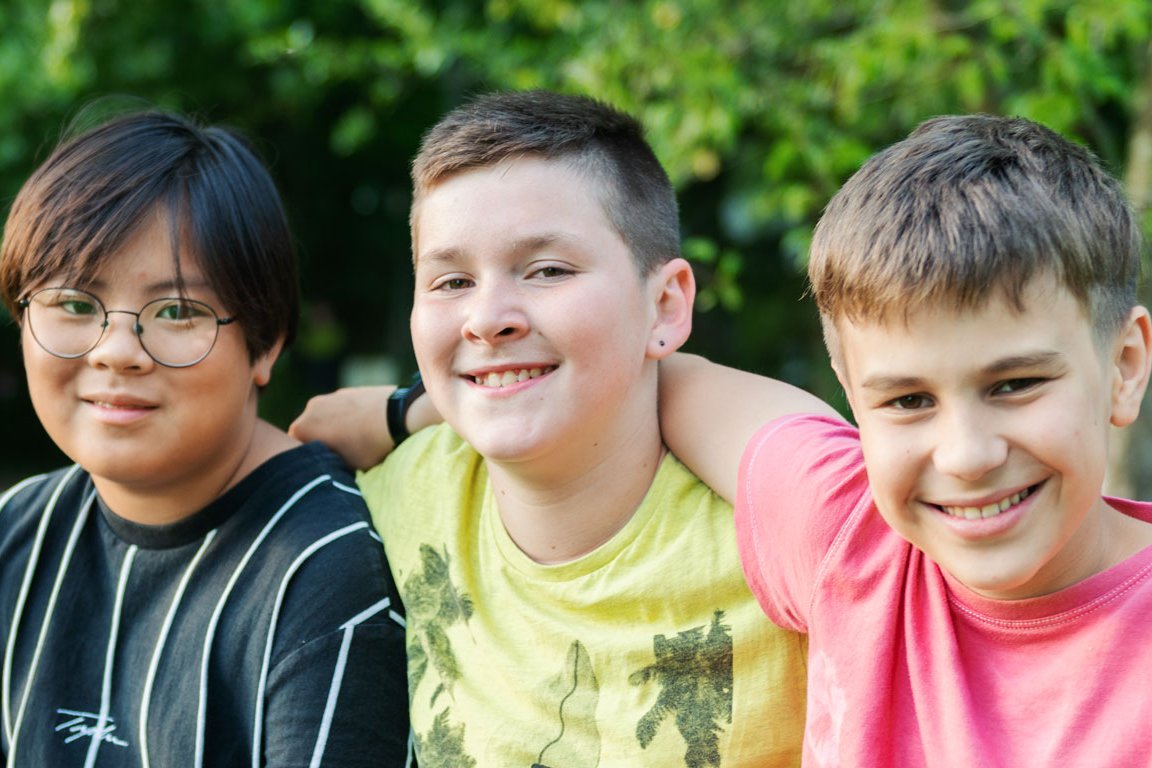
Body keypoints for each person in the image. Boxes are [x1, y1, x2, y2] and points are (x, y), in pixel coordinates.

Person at [290, 90, 809, 766]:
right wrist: (410, 411)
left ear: (665, 305)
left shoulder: (780, 532)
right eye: (449, 282)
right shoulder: (387, 495)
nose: (487, 317)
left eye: (547, 271)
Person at [656, 114, 1152, 765]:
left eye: (1016, 385)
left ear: (1124, 368)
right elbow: (654, 380)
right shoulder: (847, 535)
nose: (967, 456)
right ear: (852, 394)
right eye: (908, 400)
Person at [0, 110, 409, 765]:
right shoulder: (17, 529)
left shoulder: (325, 573)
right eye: (75, 303)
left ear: (265, 342)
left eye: (177, 311)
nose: (117, 351)